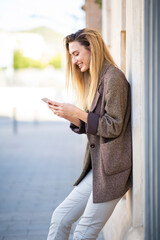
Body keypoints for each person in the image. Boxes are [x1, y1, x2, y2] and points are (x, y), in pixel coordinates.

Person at [46, 28, 132, 240]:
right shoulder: (97, 79)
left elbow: (113, 126)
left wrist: (78, 112)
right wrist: (71, 117)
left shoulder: (113, 77)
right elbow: (96, 126)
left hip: (112, 172)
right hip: (97, 170)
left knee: (83, 233)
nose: (74, 61)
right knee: (60, 217)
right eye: (71, 56)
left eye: (76, 53)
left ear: (92, 48)